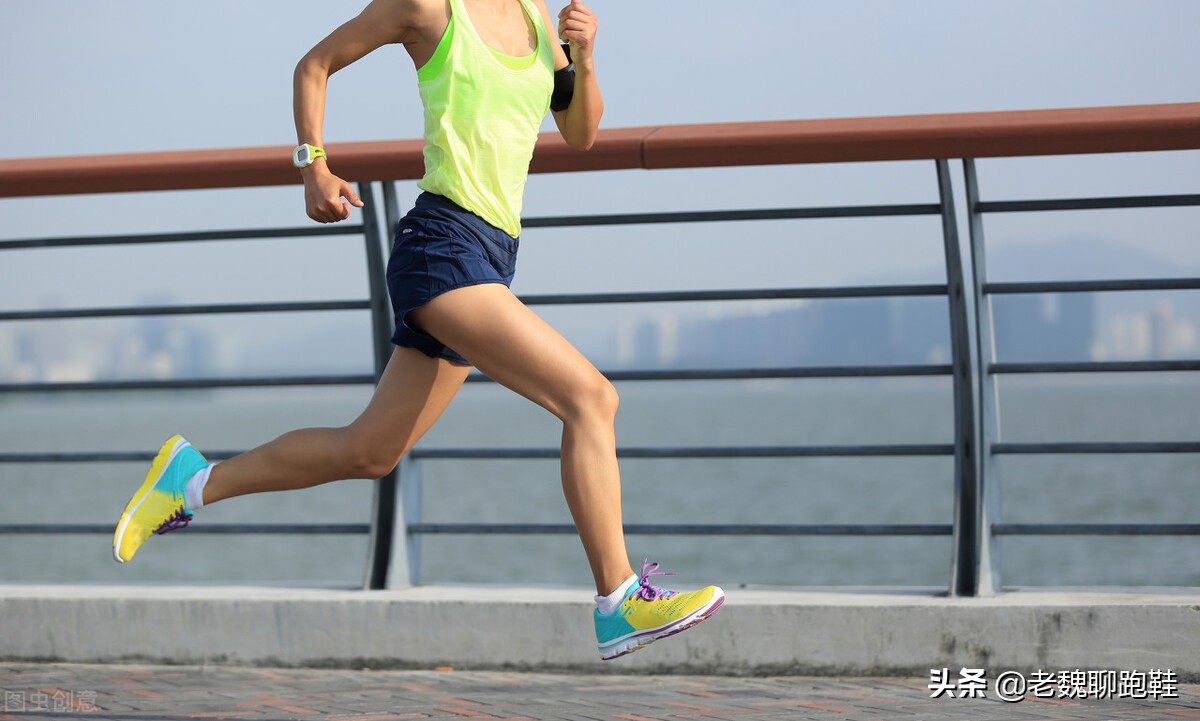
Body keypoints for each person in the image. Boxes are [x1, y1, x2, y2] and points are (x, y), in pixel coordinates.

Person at [111, 0, 723, 660]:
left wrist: (586, 56)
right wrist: (311, 164)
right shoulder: (428, 7)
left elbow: (579, 132)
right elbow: (313, 65)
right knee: (591, 398)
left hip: (493, 254)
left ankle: (192, 481)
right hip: (443, 245)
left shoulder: (538, 17)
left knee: (369, 451)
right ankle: (617, 599)